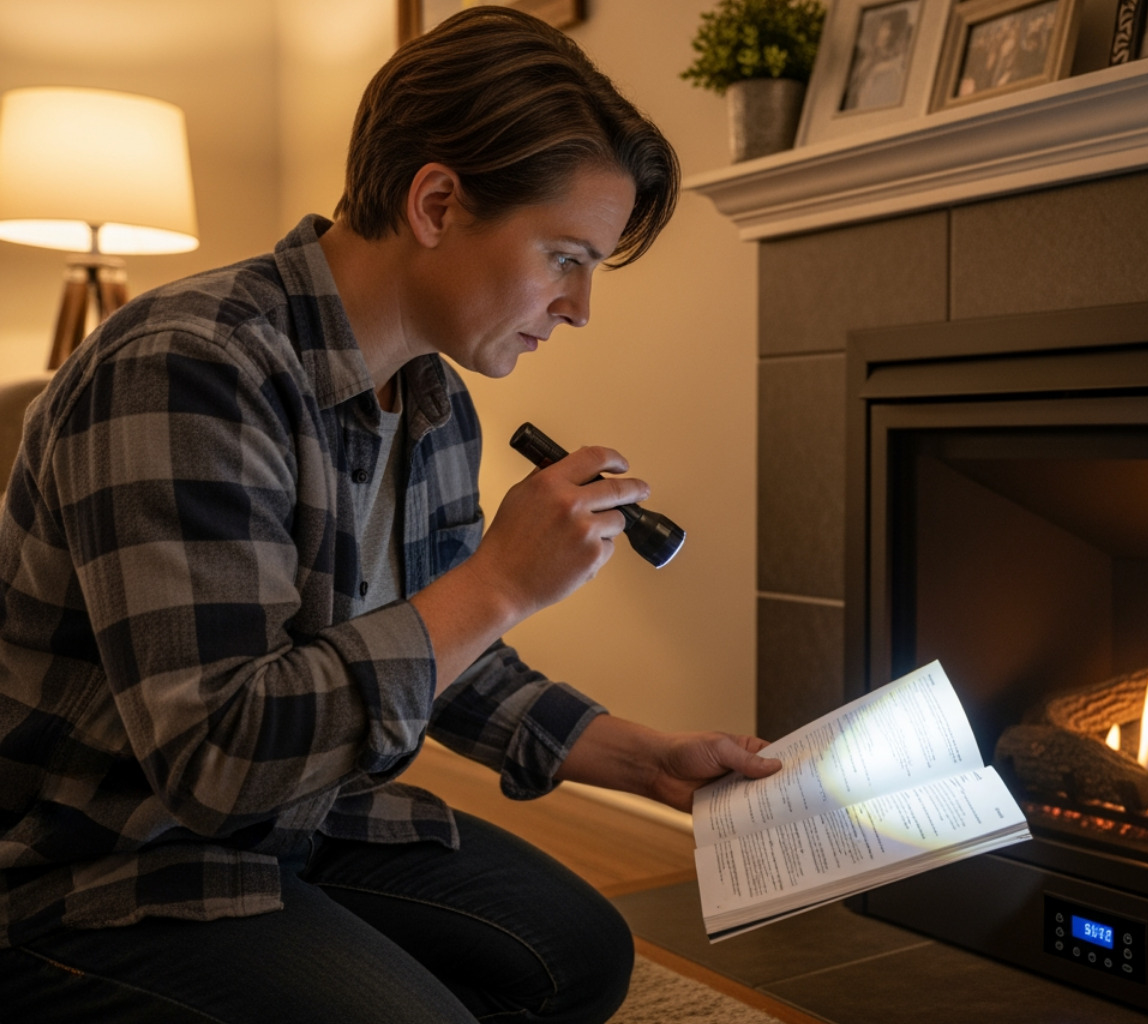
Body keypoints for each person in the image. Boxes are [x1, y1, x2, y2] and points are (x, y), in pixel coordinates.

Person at [0, 8, 779, 1023]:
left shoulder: (433, 398)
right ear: (438, 201)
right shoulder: (186, 370)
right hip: (95, 861)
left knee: (579, 955)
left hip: (304, 815)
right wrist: (496, 580)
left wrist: (644, 759)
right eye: (565, 257)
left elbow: (438, 650)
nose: (580, 308)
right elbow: (220, 758)